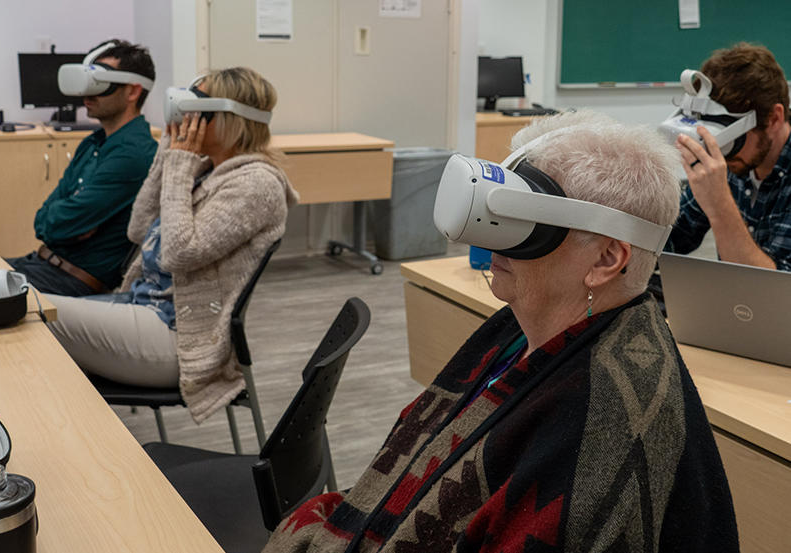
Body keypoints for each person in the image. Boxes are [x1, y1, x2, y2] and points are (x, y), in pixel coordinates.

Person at [262, 111, 739, 552]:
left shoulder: (600, 433)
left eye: (528, 223)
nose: (493, 238)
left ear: (605, 259)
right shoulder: (522, 326)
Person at [45, 67, 298, 422]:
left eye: (196, 110)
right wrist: (168, 152)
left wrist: (180, 164)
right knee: (24, 306)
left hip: (177, 339)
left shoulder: (256, 184)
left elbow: (179, 253)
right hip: (143, 308)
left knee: (32, 311)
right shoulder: (208, 169)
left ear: (229, 119)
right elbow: (137, 228)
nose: (185, 117)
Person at [7, 39, 158, 295]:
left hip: (70, 281)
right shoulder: (93, 143)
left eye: (99, 83)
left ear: (133, 92)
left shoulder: (134, 155)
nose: (87, 94)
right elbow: (45, 220)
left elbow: (61, 222)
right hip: (41, 263)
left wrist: (60, 222)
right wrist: (59, 223)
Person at [668, 42, 791, 271]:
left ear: (774, 118)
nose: (721, 152)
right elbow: (675, 238)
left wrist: (719, 204)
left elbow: (776, 291)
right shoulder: (737, 162)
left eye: (732, 139)